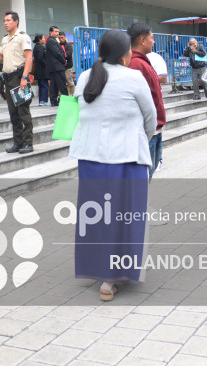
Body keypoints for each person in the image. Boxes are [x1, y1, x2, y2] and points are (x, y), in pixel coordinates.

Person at [70, 29, 157, 301]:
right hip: (127, 158)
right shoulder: (133, 77)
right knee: (126, 217)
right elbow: (150, 118)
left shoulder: (85, 77)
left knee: (97, 218)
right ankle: (113, 278)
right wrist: (142, 138)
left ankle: (101, 273)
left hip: (90, 159)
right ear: (125, 53)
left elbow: (77, 113)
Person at [126, 23, 166, 180]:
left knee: (147, 174)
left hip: (154, 129)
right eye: (152, 38)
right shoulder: (136, 64)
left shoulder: (142, 61)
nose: (153, 42)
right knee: (142, 178)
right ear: (142, 40)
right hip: (147, 131)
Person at [0, 12, 34, 154]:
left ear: (16, 22)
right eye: (4, 20)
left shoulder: (22, 37)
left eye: (8, 20)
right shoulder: (4, 40)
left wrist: (24, 78)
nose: (5, 23)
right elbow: (2, 59)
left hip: (19, 78)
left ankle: (28, 143)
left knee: (23, 112)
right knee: (13, 113)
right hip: (8, 79)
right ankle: (18, 142)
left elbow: (28, 59)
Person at [46, 26, 68, 105]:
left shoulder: (53, 40)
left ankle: (54, 101)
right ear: (50, 32)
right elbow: (57, 53)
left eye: (58, 31)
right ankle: (66, 101)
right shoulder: (51, 41)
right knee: (62, 84)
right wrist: (64, 60)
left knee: (54, 84)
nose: (57, 33)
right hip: (57, 66)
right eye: (55, 31)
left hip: (55, 66)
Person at [32, 34, 50, 106]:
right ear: (39, 39)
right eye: (43, 38)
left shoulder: (36, 47)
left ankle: (41, 101)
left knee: (41, 85)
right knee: (44, 85)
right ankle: (44, 100)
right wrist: (45, 64)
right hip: (42, 70)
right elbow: (40, 58)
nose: (44, 39)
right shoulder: (40, 47)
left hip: (39, 70)